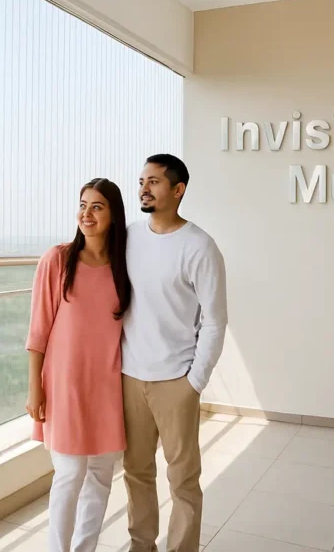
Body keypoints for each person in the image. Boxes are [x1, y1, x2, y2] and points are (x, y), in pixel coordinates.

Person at [121, 154, 228, 552]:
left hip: (175, 381)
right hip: (130, 376)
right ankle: (141, 545)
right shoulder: (130, 237)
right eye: (141, 181)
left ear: (178, 189)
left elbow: (215, 321)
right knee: (136, 471)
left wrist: (194, 382)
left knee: (182, 479)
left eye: (154, 182)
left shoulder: (199, 247)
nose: (144, 189)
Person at [25, 178, 133, 552]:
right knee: (70, 473)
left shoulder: (124, 267)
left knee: (101, 474)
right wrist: (35, 387)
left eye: (97, 206)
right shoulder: (57, 260)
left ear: (114, 215)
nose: (86, 214)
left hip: (108, 384)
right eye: (83, 205)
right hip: (64, 384)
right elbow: (38, 330)